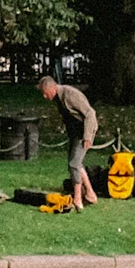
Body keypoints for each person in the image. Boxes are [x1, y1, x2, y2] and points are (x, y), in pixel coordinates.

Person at [37, 76, 99, 208]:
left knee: (74, 164)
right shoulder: (58, 98)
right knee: (76, 163)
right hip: (75, 132)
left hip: (84, 131)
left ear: (52, 88)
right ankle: (90, 194)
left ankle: (78, 199)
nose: (44, 96)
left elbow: (90, 113)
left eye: (45, 92)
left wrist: (88, 136)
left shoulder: (70, 94)